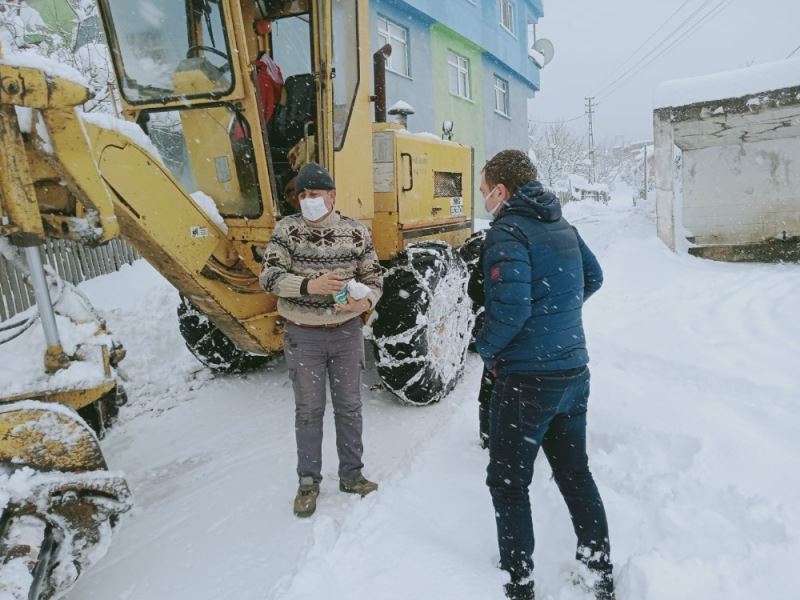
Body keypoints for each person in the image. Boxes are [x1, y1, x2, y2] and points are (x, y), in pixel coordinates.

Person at [475, 150, 614, 600]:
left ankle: (518, 583)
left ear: (502, 189)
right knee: (575, 474)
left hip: (527, 381)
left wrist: (485, 347)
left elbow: (510, 310)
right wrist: (556, 317)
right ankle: (600, 576)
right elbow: (593, 277)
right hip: (573, 371)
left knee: (508, 482)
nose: (484, 199)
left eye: (484, 191)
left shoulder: (507, 232)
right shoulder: (561, 224)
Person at [260, 162, 383, 518]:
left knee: (349, 407)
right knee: (309, 411)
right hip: (304, 335)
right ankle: (308, 482)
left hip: (346, 333)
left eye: (314, 194)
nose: (308, 200)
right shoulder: (287, 232)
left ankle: (352, 475)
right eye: (302, 194)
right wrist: (307, 286)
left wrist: (367, 300)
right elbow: (268, 276)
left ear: (332, 195)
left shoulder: (356, 232)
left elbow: (375, 276)